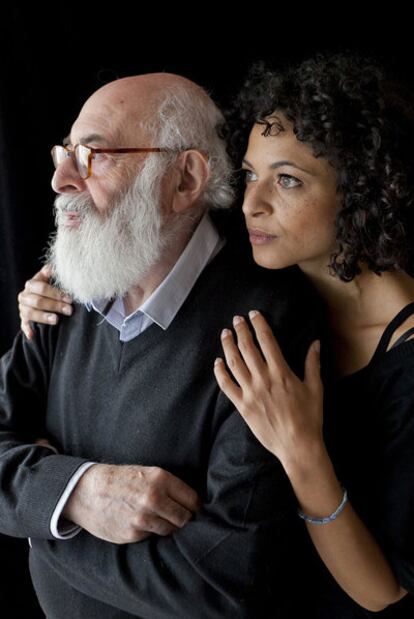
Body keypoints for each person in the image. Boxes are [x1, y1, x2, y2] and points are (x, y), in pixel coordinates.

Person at [19, 54, 414, 617]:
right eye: (250, 174)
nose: (252, 201)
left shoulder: (384, 348)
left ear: (364, 189)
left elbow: (385, 592)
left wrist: (300, 450)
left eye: (288, 180)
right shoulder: (261, 258)